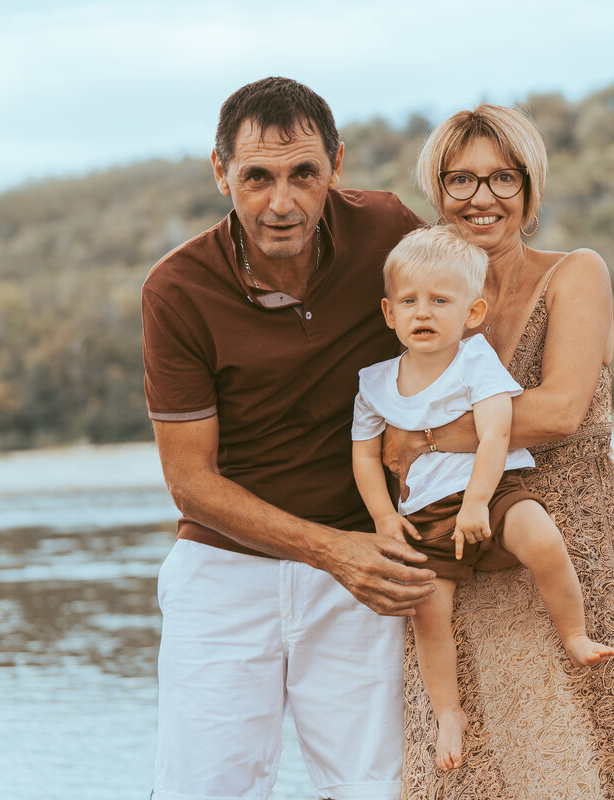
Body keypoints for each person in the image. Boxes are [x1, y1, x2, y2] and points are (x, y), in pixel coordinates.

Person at [140, 76, 434, 800]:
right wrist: (333, 552)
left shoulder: (389, 231)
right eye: (257, 177)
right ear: (220, 172)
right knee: (203, 790)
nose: (282, 202)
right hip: (224, 571)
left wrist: (416, 437)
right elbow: (191, 484)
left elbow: (463, 323)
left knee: (378, 789)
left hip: (362, 566)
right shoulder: (176, 290)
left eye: (304, 173)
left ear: (335, 163)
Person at [386, 105, 614, 798]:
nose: (481, 199)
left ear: (530, 188)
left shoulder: (576, 273)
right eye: (460, 180)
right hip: (457, 558)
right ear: (437, 191)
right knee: (471, 771)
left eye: (502, 179)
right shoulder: (424, 298)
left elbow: (558, 411)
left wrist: (426, 438)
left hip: (565, 559)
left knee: (589, 763)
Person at [350, 226, 614, 772]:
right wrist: (382, 517)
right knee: (427, 607)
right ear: (389, 313)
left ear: (471, 314)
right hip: (422, 514)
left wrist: (476, 502)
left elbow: (496, 433)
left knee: (540, 537)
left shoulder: (476, 362)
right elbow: (364, 454)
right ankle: (449, 712)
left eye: (439, 301)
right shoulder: (375, 383)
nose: (423, 312)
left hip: (491, 492)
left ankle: (574, 634)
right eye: (409, 301)